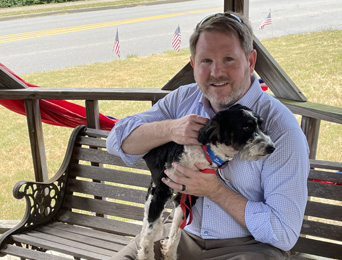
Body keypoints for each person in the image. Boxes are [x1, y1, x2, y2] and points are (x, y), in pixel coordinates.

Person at [106, 11, 310, 260]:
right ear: (193, 64)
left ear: (251, 60)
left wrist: (215, 190)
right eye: (206, 61)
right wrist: (169, 129)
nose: (216, 72)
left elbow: (283, 233)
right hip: (179, 237)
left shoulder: (282, 130)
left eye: (228, 59)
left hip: (248, 248)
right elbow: (116, 140)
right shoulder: (183, 99)